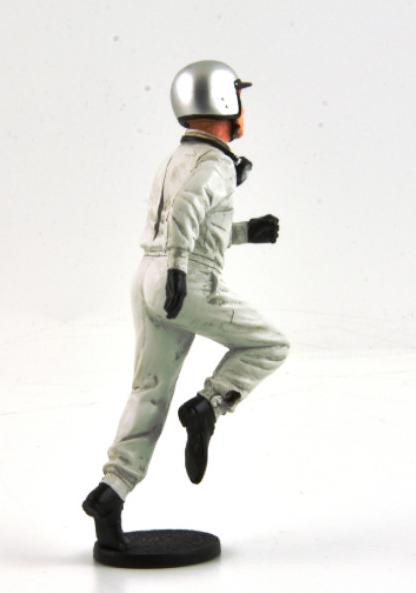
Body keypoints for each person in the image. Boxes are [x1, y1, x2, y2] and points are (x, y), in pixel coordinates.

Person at [82, 60, 290, 550]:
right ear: (224, 101)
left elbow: (189, 222)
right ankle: (208, 407)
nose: (243, 110)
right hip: (183, 280)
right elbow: (187, 211)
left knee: (149, 392)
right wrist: (178, 268)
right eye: (239, 98)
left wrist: (245, 232)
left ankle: (112, 491)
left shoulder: (175, 158)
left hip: (146, 277)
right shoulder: (215, 164)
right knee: (270, 345)